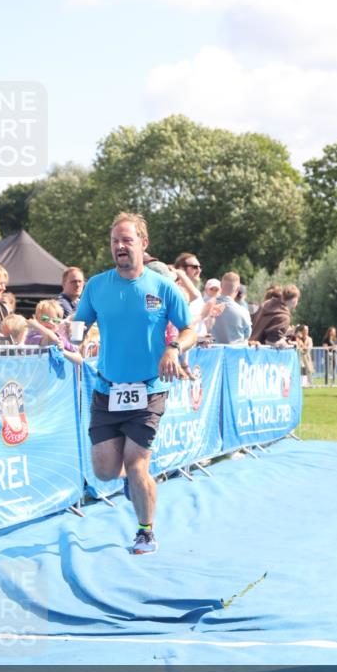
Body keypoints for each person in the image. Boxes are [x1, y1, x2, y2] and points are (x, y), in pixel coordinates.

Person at [75, 212, 196, 555]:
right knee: (104, 471)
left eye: (127, 240)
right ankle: (134, 482)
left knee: (136, 462)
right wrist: (73, 335)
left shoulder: (163, 287)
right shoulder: (97, 286)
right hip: (107, 389)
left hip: (149, 387)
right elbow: (79, 324)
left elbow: (190, 330)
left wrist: (173, 348)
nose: (120, 247)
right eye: (115, 241)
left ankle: (145, 531)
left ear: (143, 244)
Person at [25, 299, 82, 364]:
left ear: (59, 323)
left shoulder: (60, 338)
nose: (50, 322)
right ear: (37, 319)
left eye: (55, 320)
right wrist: (37, 325)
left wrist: (63, 351)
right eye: (45, 318)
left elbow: (79, 360)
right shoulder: (33, 336)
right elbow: (51, 339)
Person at [210, 271, 252, 345]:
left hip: (213, 354)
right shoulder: (243, 312)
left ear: (220, 285)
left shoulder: (207, 308)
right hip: (236, 354)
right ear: (238, 288)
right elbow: (247, 335)